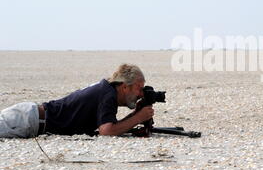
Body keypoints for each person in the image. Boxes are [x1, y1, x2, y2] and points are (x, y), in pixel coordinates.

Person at [0, 64, 154, 138]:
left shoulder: (107, 90)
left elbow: (111, 127)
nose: (141, 93)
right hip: (28, 120)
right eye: (139, 88)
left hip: (31, 117)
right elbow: (107, 131)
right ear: (125, 87)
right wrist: (139, 118)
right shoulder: (108, 95)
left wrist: (135, 115)